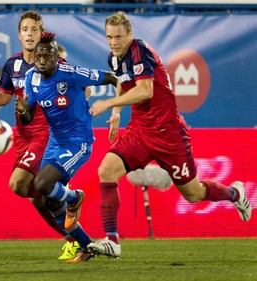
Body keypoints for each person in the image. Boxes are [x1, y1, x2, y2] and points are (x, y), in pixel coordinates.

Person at [87, 11, 252, 258]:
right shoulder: (115, 57)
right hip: (140, 131)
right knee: (106, 170)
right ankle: (112, 241)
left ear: (130, 34)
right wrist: (118, 113)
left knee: (193, 194)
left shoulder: (140, 52)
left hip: (169, 135)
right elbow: (123, 79)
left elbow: (145, 91)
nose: (113, 42)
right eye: (109, 37)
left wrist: (109, 103)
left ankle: (235, 193)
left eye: (118, 37)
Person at [0, 11, 81, 260]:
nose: (30, 33)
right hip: (22, 135)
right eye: (25, 29)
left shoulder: (52, 63)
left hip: (45, 133)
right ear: (19, 34)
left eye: (34, 29)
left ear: (41, 34)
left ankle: (69, 195)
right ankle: (74, 239)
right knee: (38, 199)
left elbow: (76, 86)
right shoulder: (13, 65)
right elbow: (5, 95)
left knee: (17, 184)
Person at [15, 31, 118, 262]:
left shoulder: (71, 74)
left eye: (46, 55)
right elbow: (28, 117)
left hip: (78, 142)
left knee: (42, 184)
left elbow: (113, 78)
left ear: (56, 56)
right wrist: (23, 110)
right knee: (49, 199)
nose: (41, 60)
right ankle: (86, 245)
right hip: (55, 142)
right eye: (37, 55)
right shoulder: (31, 78)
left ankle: (74, 197)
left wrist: (116, 109)